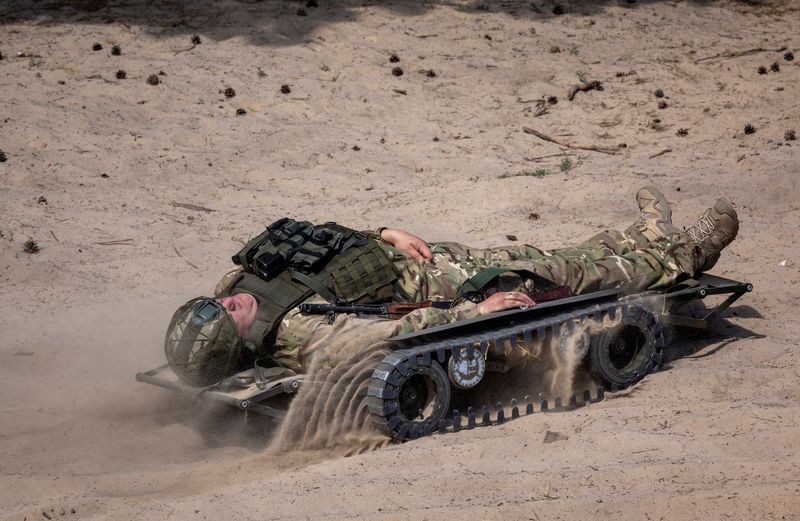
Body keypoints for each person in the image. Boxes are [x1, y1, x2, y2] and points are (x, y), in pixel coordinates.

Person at [164, 187, 739, 386]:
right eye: (226, 314)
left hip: (410, 260)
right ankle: (685, 250)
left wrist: (382, 232)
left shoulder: (235, 284)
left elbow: (311, 252)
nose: (229, 300)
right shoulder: (303, 334)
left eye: (216, 302)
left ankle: (643, 238)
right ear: (241, 341)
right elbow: (400, 329)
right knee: (549, 273)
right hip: (438, 288)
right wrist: (476, 308)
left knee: (539, 255)